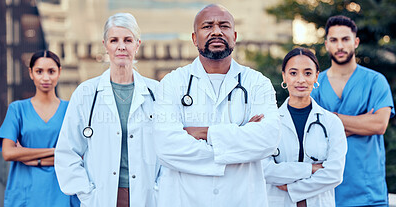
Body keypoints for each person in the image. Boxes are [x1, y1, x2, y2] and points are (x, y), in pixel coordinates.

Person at [153, 4, 280, 207]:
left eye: (224, 26)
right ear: (194, 38)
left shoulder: (257, 83)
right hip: (185, 200)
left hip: (241, 199)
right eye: (207, 26)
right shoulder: (172, 83)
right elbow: (166, 147)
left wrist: (205, 133)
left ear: (234, 36)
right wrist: (240, 136)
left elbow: (268, 139)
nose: (216, 31)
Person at [54, 13, 158, 207]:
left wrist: (159, 191)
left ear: (137, 44)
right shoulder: (86, 94)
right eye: (114, 40)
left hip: (148, 196)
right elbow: (67, 152)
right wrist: (88, 194)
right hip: (102, 197)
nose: (121, 46)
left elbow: (169, 149)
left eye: (128, 40)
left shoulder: (157, 93)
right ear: (105, 45)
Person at [311, 15, 395, 207]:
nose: (340, 46)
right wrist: (361, 121)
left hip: (368, 193)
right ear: (326, 44)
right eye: (334, 40)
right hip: (326, 193)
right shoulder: (315, 85)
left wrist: (332, 120)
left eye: (345, 39)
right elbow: (312, 135)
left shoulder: (375, 81)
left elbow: (379, 125)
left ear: (355, 42)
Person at [263, 47, 347, 207]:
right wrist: (311, 169)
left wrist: (292, 188)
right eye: (293, 73)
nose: (301, 80)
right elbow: (265, 171)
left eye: (308, 73)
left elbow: (334, 174)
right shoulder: (269, 122)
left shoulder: (332, 123)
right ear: (284, 76)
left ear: (316, 77)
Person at [0, 50, 79, 206]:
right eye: (39, 71)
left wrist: (28, 156)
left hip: (60, 190)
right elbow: (8, 153)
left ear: (59, 72)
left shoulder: (71, 110)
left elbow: (79, 155)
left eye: (51, 71)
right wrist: (56, 152)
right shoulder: (17, 109)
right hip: (26, 190)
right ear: (31, 73)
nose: (45, 77)